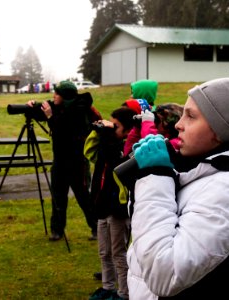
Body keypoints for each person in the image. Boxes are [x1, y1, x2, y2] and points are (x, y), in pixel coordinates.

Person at [127, 78, 229, 299]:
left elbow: (165, 273)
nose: (179, 124)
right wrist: (153, 176)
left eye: (191, 116)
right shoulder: (206, 174)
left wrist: (156, 177)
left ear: (221, 131)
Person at [26, 80, 98, 241]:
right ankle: (57, 230)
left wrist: (50, 116)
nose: (54, 95)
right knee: (58, 196)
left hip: (78, 162)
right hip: (59, 162)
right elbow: (44, 111)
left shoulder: (80, 110)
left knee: (83, 196)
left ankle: (96, 227)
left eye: (57, 93)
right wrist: (31, 106)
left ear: (65, 96)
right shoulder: (58, 106)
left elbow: (64, 132)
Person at [84, 107, 136, 300]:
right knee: (104, 252)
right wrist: (97, 131)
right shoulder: (108, 143)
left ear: (128, 130)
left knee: (118, 253)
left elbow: (115, 161)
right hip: (103, 206)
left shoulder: (125, 147)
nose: (111, 129)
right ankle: (107, 287)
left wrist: (107, 135)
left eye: (116, 126)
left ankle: (124, 293)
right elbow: (90, 152)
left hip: (118, 209)